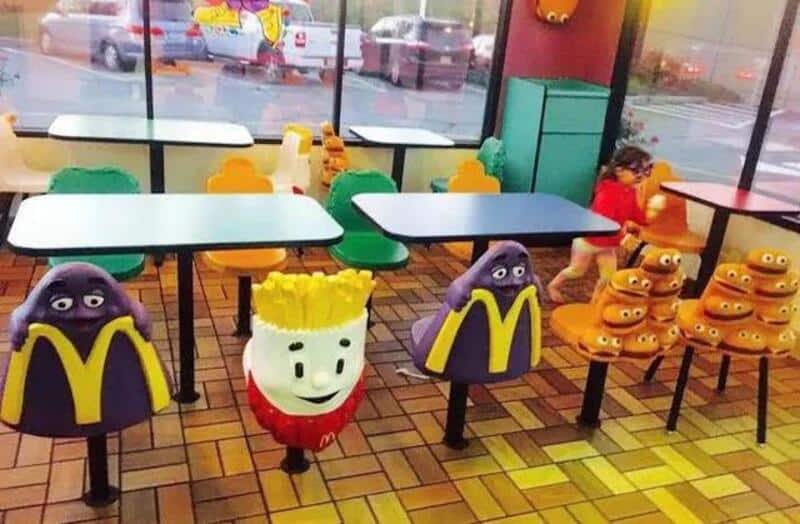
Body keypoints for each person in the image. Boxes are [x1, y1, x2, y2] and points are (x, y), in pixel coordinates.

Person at [547, 146, 662, 304]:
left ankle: (595, 303)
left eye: (645, 171)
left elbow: (639, 217)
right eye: (637, 171)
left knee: (608, 277)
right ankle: (553, 286)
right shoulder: (608, 190)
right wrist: (624, 236)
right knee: (576, 271)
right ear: (619, 170)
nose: (641, 176)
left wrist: (653, 210)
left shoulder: (630, 191)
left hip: (608, 244)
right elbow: (603, 222)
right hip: (588, 241)